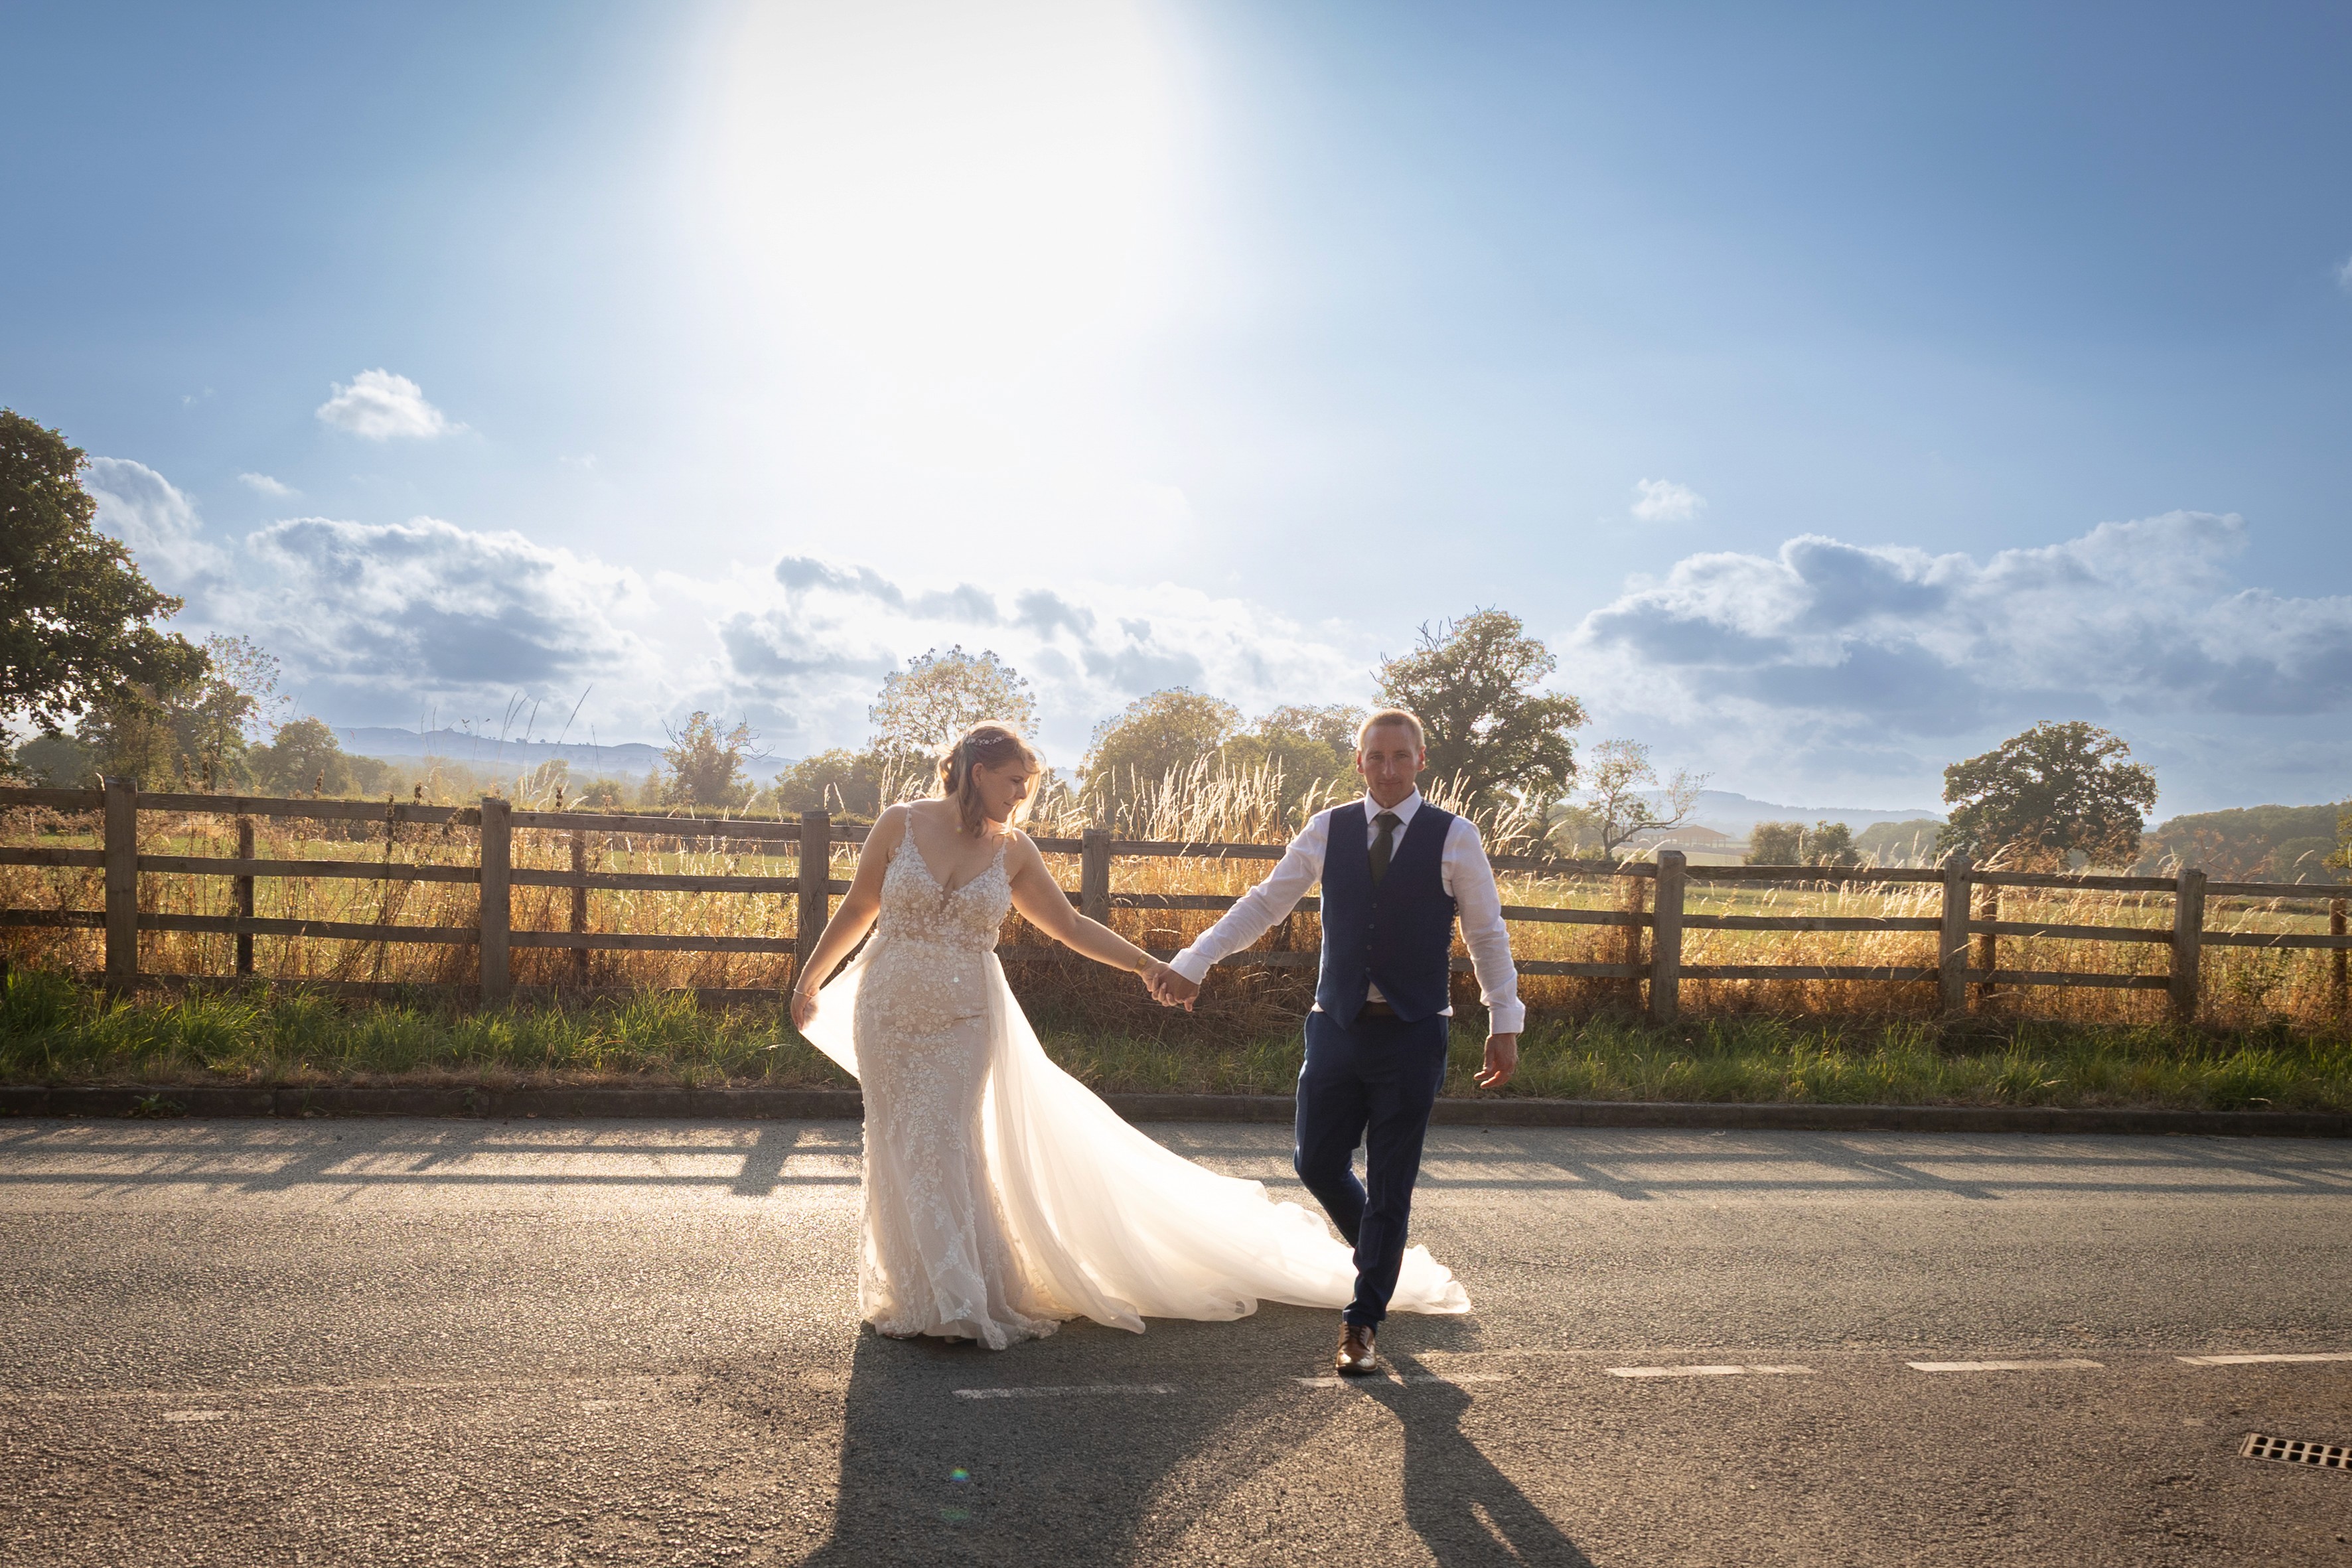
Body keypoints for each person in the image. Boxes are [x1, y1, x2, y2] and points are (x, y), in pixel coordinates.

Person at [791, 720, 1468, 1350]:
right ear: (976, 771)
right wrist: (811, 977)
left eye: (1027, 783)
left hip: (966, 1016)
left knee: (944, 1138)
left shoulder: (1013, 850)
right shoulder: (901, 822)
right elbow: (859, 906)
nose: (1022, 795)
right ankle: (918, 1289)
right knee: (899, 1138)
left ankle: (962, 1294)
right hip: (887, 1010)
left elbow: (1071, 925)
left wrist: (1149, 965)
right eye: (1014, 781)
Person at [1151, 708, 1520, 1376]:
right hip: (1336, 1025)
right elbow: (1265, 902)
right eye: (1376, 756)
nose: (1388, 769)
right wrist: (1195, 959)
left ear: (1421, 760)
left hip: (1414, 1031)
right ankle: (1383, 1257)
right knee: (1315, 1161)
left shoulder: (1455, 837)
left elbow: (1486, 932)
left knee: (1391, 1182)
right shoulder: (1328, 828)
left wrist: (1504, 1019)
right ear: (1359, 761)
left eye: (1400, 756)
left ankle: (1362, 1320)